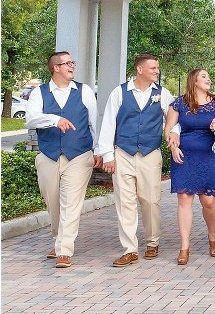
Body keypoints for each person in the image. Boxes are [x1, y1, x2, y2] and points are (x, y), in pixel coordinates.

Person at [24, 51, 102, 268]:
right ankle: (59, 239)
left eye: (72, 62)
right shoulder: (39, 93)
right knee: (54, 203)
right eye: (66, 63)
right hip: (48, 155)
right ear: (55, 68)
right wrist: (55, 119)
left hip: (79, 154)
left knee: (71, 202)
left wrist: (97, 150)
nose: (72, 66)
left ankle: (64, 250)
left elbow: (93, 121)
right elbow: (30, 119)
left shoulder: (84, 91)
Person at [98, 53, 176, 267]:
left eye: (157, 68)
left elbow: (173, 120)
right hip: (123, 153)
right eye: (153, 68)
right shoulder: (119, 93)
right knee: (125, 202)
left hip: (150, 154)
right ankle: (130, 249)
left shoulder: (162, 93)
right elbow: (108, 125)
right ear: (140, 70)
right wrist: (107, 155)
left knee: (150, 200)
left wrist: (173, 133)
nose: (157, 71)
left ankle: (152, 242)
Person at [163, 69, 215, 265]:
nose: (208, 79)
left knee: (208, 201)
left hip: (209, 156)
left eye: (208, 77)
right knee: (184, 198)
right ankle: (184, 247)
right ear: (194, 81)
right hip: (184, 156)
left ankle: (212, 236)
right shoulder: (179, 104)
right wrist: (173, 145)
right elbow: (169, 129)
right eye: (204, 76)